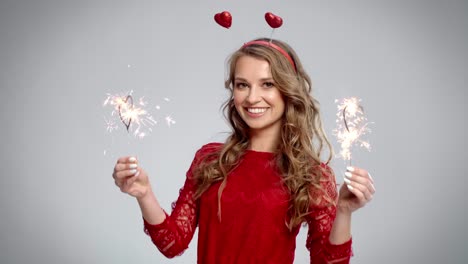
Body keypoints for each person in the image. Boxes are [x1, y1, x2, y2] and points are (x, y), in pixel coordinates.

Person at [112, 38, 375, 263]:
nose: (251, 98)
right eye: (242, 85)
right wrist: (144, 194)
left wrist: (343, 211)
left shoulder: (312, 174)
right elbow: (172, 243)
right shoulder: (210, 160)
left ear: (288, 91)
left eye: (267, 84)